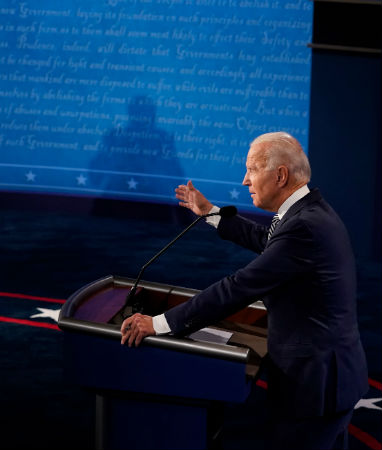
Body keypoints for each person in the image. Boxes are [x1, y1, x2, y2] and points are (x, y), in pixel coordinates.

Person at [120, 132, 368, 449]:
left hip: (315, 386)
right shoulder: (309, 213)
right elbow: (270, 243)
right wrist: (210, 212)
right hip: (329, 377)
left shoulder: (303, 227)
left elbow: (238, 287)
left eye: (251, 170)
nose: (244, 180)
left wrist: (157, 324)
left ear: (280, 175)